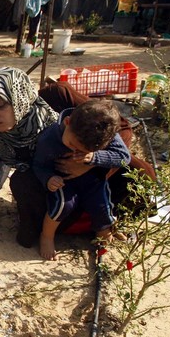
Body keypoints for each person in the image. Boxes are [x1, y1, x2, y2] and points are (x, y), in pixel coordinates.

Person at [0, 67, 155, 250]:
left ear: (18, 96)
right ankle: (63, 228)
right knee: (22, 182)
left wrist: (90, 164)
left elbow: (120, 128)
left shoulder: (59, 96)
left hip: (95, 172)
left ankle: (104, 220)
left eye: (0, 105)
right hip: (55, 186)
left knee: (141, 172)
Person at [32, 100, 131, 260]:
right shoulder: (49, 138)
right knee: (62, 205)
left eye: (83, 151)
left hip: (93, 179)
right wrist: (48, 178)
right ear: (67, 122)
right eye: (72, 144)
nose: (74, 151)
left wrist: (95, 157)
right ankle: (47, 236)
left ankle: (103, 232)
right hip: (63, 180)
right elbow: (38, 164)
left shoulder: (105, 133)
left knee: (102, 205)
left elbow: (124, 157)